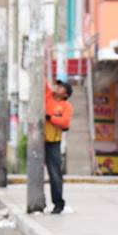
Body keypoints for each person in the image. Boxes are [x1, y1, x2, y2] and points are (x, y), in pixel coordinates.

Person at [45, 80, 74, 214]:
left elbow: (65, 122)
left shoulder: (66, 106)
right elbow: (43, 82)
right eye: (58, 85)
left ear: (66, 93)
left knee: (55, 174)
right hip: (39, 141)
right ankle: (39, 202)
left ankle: (58, 203)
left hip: (53, 142)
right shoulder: (48, 97)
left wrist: (50, 118)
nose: (58, 87)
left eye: (62, 87)